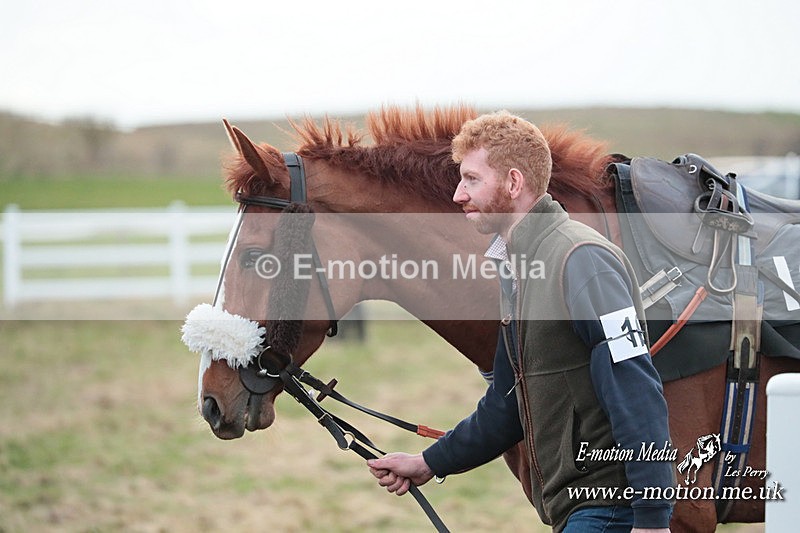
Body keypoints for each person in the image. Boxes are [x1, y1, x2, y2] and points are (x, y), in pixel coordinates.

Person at [367, 111, 674, 532]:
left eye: (472, 180)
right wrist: (427, 462)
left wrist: (653, 519)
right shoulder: (519, 269)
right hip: (578, 509)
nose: (458, 195)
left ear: (513, 183)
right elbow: (507, 403)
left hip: (610, 509)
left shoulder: (582, 260)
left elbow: (635, 388)